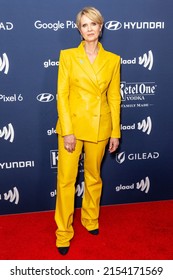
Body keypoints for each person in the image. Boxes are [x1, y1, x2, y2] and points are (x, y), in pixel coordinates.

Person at [55, 6, 121, 255]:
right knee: (66, 181)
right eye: (85, 25)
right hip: (72, 127)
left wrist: (116, 131)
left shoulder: (113, 60)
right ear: (79, 29)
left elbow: (114, 97)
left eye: (94, 24)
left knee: (94, 178)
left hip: (100, 127)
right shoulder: (68, 56)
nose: (90, 29)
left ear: (101, 27)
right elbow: (62, 94)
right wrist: (68, 130)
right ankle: (63, 231)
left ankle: (90, 220)